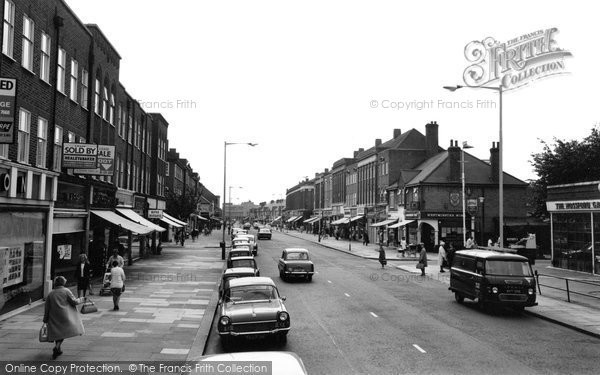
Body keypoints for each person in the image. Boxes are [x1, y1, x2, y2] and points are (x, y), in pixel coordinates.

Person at [43, 276, 85, 359]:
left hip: (54, 316)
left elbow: (47, 307)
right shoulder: (66, 291)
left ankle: (58, 348)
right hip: (65, 315)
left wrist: (45, 318)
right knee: (62, 332)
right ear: (63, 282)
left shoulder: (51, 293)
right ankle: (57, 347)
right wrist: (81, 299)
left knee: (57, 332)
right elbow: (74, 301)